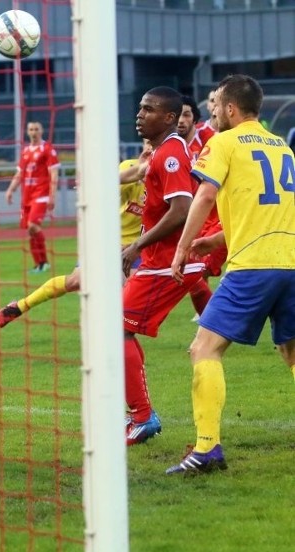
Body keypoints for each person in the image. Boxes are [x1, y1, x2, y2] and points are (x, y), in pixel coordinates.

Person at [167, 74, 295, 474]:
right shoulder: (284, 149)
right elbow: (270, 208)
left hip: (253, 267)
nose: (213, 110)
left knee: (203, 349)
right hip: (290, 263)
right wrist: (218, 240)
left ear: (231, 109)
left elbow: (204, 195)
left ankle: (206, 450)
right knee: (292, 353)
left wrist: (184, 245)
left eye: (217, 104)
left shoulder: (222, 142)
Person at [121, 86, 206, 446]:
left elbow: (182, 209)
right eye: (140, 108)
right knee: (120, 328)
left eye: (149, 109)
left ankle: (141, 416)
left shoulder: (170, 154)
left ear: (169, 118)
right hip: (163, 262)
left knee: (113, 330)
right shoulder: (159, 153)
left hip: (165, 264)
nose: (140, 114)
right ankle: (138, 413)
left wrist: (137, 245)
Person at [0, 141, 151, 327]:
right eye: (147, 142)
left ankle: (119, 341)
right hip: (106, 241)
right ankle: (19, 306)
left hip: (139, 247)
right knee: (76, 281)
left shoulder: (168, 171)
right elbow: (111, 189)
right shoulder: (129, 167)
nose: (150, 147)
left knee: (130, 300)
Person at [177, 94, 226, 319]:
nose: (181, 120)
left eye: (186, 114)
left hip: (220, 217)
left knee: (202, 267)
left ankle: (214, 318)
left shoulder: (212, 138)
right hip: (198, 217)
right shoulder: (173, 147)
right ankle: (208, 318)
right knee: (195, 269)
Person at [5, 121, 60, 273]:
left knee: (33, 226)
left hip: (41, 194)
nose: (33, 132)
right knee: (30, 231)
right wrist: (10, 190)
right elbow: (19, 174)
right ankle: (38, 264)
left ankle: (45, 263)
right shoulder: (25, 151)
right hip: (27, 196)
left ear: (41, 131)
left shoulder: (47, 149)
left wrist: (52, 196)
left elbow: (53, 173)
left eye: (36, 129)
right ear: (27, 132)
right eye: (31, 129)